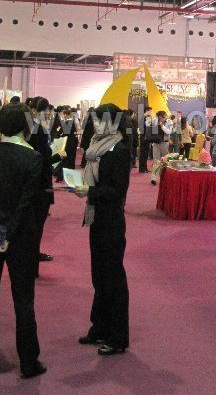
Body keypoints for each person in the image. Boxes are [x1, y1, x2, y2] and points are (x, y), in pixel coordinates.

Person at [0, 103, 47, 378]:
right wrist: (10, 232)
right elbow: (27, 203)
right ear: (26, 125)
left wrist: (0, 231)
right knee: (23, 300)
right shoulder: (33, 158)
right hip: (22, 237)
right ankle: (28, 361)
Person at [74, 104, 131, 356]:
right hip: (96, 217)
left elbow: (117, 190)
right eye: (95, 121)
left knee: (113, 278)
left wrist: (90, 191)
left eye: (101, 121)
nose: (97, 126)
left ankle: (118, 337)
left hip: (111, 220)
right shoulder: (96, 146)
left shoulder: (119, 150)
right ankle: (100, 327)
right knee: (98, 276)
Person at [27, 97, 65, 269]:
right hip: (40, 183)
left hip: (36, 181)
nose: (48, 113)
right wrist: (57, 156)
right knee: (36, 225)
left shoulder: (33, 128)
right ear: (35, 111)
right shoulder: (37, 130)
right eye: (45, 110)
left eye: (49, 110)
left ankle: (33, 255)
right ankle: (32, 258)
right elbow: (42, 159)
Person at [149, 111, 173, 185]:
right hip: (156, 143)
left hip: (165, 143)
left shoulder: (169, 122)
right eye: (162, 117)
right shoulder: (155, 122)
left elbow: (169, 132)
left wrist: (162, 126)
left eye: (164, 116)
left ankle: (164, 178)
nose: (164, 118)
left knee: (165, 161)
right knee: (156, 160)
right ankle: (153, 178)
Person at [61, 107, 81, 172]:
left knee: (68, 156)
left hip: (68, 141)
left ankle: (67, 169)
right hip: (74, 140)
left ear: (66, 114)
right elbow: (78, 130)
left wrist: (60, 135)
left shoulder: (67, 122)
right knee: (73, 155)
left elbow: (65, 133)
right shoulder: (74, 121)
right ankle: (72, 168)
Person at [137, 107, 153, 173]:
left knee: (145, 154)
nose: (151, 112)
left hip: (146, 138)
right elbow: (141, 129)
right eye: (150, 111)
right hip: (144, 138)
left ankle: (145, 168)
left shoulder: (145, 118)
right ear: (147, 111)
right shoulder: (142, 118)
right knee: (143, 154)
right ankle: (142, 169)